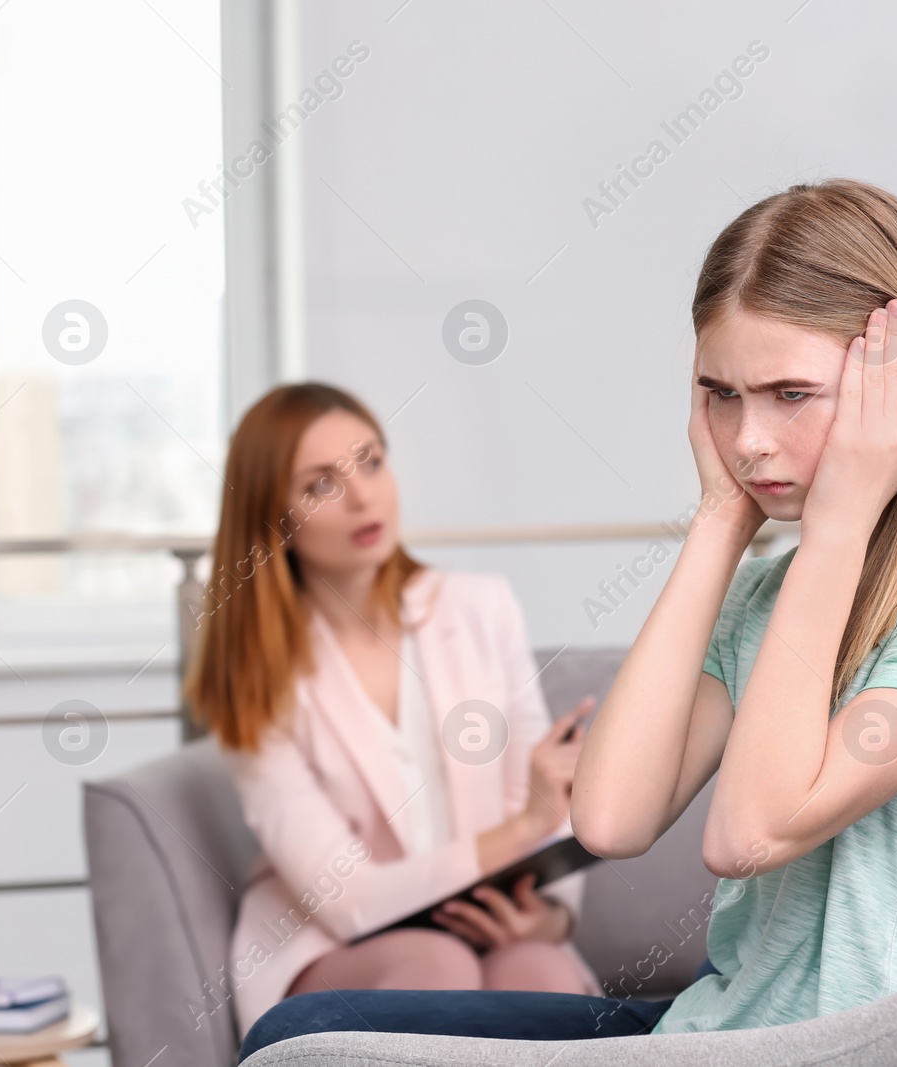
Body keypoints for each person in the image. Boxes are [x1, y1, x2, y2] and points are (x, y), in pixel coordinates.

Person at [238, 178, 897, 1054]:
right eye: (722, 394)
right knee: (306, 1032)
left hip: (858, 1048)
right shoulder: (765, 595)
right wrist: (719, 522)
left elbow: (749, 830)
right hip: (721, 1031)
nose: (748, 439)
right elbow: (610, 818)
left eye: (790, 393)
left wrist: (837, 527)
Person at [185, 383, 600, 1042]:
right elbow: (349, 901)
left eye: (371, 461)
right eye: (320, 484)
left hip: (484, 927)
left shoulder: (479, 607)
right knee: (434, 964)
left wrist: (546, 916)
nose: (363, 497)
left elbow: (546, 808)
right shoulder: (256, 677)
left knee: (541, 968)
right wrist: (522, 827)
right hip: (334, 943)